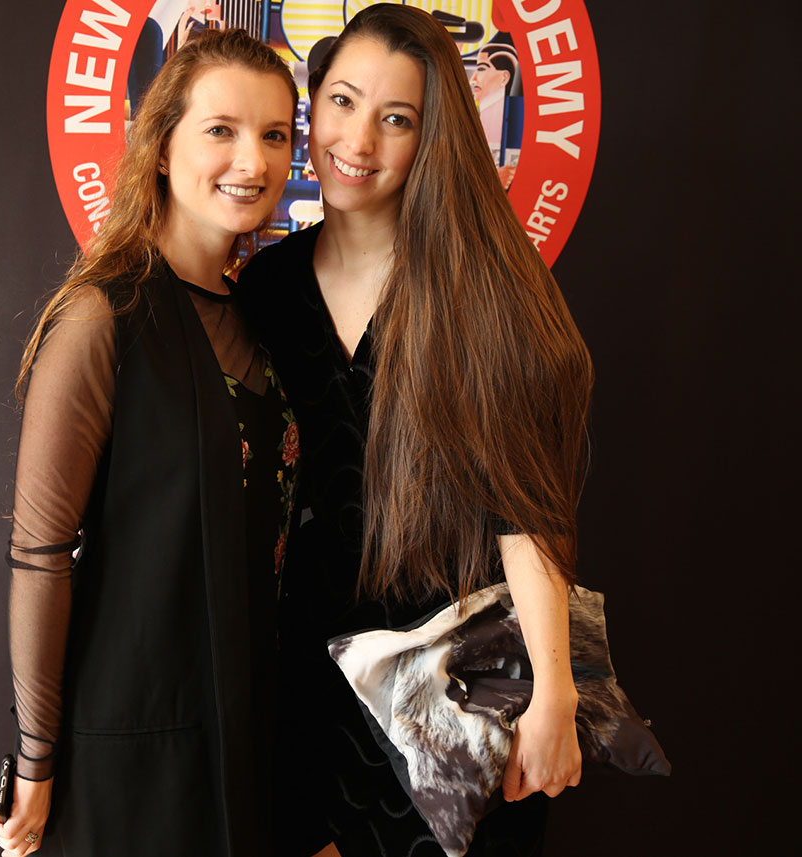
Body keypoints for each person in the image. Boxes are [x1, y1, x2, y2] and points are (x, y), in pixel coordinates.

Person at [236, 5, 593, 856]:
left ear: (433, 139)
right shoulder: (268, 285)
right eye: (343, 102)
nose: (358, 139)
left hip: (447, 684)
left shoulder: (479, 290)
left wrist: (555, 695)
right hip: (302, 679)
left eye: (397, 119)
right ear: (310, 104)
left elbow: (527, 512)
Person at [0, 29, 298, 857]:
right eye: (222, 129)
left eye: (275, 135)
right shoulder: (103, 317)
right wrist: (36, 757)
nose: (253, 159)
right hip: (131, 752)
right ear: (161, 147)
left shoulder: (262, 320)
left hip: (245, 741)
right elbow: (41, 552)